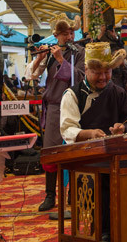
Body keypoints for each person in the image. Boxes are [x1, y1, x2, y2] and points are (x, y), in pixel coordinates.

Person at [59, 42, 127, 241]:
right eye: (97, 72)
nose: (103, 77)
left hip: (116, 152)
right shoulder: (72, 94)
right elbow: (67, 129)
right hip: (88, 155)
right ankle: (103, 230)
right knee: (101, 179)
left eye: (107, 72)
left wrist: (122, 127)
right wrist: (89, 133)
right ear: (86, 70)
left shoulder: (118, 92)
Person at [29, 15, 84, 217]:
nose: (69, 36)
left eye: (71, 32)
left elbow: (80, 77)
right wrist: (39, 59)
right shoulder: (50, 52)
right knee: (51, 150)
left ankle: (72, 194)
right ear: (56, 35)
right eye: (64, 33)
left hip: (74, 105)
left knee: (73, 148)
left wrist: (62, 59)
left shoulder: (79, 52)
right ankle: (50, 195)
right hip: (53, 106)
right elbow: (32, 76)